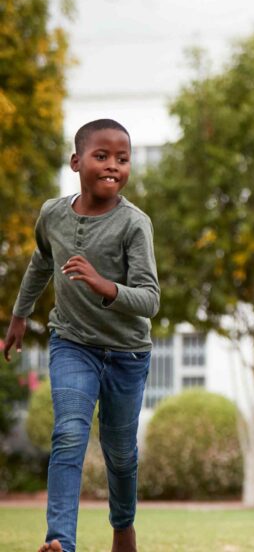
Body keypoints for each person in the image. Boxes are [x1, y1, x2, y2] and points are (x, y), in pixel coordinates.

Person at [4, 119, 159, 552]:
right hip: (72, 342)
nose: (113, 166)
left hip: (127, 354)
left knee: (121, 453)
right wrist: (19, 315)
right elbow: (40, 262)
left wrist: (103, 284)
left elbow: (150, 299)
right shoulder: (53, 213)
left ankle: (123, 526)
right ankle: (59, 541)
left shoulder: (134, 224)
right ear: (76, 162)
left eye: (122, 159)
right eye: (102, 156)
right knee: (69, 433)